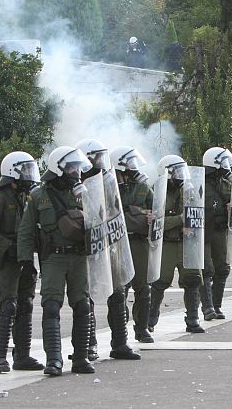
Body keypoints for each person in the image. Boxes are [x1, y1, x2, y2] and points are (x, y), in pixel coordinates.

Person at [18, 146, 95, 376]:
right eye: (71, 167)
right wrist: (26, 261)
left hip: (80, 257)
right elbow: (26, 231)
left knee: (82, 305)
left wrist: (88, 202)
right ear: (58, 168)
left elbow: (102, 220)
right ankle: (54, 360)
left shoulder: (84, 192)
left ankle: (81, 358)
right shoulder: (39, 196)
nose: (76, 171)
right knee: (51, 306)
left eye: (77, 166)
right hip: (53, 257)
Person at [76, 139, 140, 361]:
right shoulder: (75, 184)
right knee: (88, 297)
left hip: (110, 244)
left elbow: (115, 211)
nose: (101, 162)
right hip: (87, 247)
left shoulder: (108, 180)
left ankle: (120, 343)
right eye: (97, 157)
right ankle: (89, 345)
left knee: (118, 294)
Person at [0, 151, 44, 373]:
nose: (29, 175)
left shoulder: (29, 198)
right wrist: (7, 248)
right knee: (7, 305)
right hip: (8, 260)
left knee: (25, 303)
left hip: (26, 257)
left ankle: (22, 356)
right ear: (12, 173)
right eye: (25, 170)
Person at [148, 155, 205, 333]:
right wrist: (180, 220)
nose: (181, 176)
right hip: (166, 244)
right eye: (177, 172)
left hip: (187, 242)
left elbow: (198, 212)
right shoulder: (156, 192)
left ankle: (193, 318)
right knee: (160, 281)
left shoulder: (190, 190)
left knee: (193, 279)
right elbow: (156, 221)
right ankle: (150, 316)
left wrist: (191, 225)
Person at [110, 146, 154, 343]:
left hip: (138, 242)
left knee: (143, 288)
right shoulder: (108, 187)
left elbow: (155, 210)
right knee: (119, 291)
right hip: (117, 242)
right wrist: (137, 213)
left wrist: (147, 215)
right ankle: (119, 333)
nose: (133, 168)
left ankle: (142, 328)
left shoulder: (143, 187)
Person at [201, 147, 232, 319]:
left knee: (222, 268)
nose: (226, 166)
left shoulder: (225, 184)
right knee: (206, 270)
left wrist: (231, 206)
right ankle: (207, 308)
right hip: (203, 231)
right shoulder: (198, 183)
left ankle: (217, 305)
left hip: (219, 229)